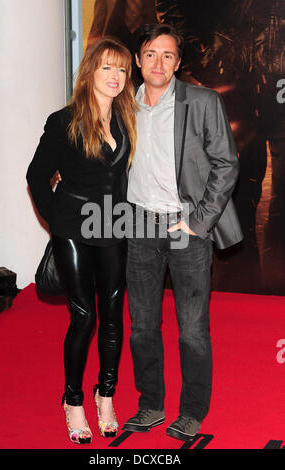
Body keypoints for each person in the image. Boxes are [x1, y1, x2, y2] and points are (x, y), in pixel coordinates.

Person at [123, 23, 243, 441]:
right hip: (138, 223)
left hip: (185, 227)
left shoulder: (202, 102)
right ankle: (151, 404)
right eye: (151, 54)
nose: (159, 62)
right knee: (142, 324)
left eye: (168, 55)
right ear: (137, 59)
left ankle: (192, 410)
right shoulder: (121, 103)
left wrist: (198, 222)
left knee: (192, 327)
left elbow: (226, 164)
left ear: (178, 62)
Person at [26, 37, 137, 444]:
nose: (115, 77)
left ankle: (105, 395)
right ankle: (73, 400)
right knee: (84, 317)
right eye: (107, 67)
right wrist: (57, 221)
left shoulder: (127, 118)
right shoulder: (65, 120)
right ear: (90, 71)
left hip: (114, 225)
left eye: (122, 69)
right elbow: (37, 175)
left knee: (112, 315)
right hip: (74, 226)